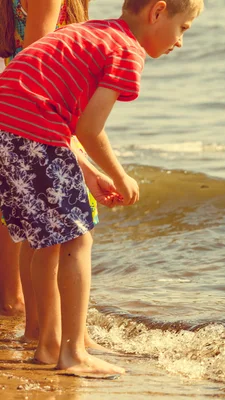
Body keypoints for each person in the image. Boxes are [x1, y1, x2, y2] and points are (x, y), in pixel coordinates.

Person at [0, 0, 204, 376]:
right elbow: (89, 129)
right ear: (157, 12)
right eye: (183, 29)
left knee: (45, 239)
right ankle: (73, 353)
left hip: (8, 127)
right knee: (78, 241)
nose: (180, 43)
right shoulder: (126, 50)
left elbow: (55, 110)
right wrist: (120, 174)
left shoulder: (93, 32)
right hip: (33, 131)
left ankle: (47, 343)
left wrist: (89, 172)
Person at [0, 0, 118, 359]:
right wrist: (77, 149)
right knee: (65, 233)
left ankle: (42, 330)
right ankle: (54, 337)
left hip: (32, 119)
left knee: (38, 232)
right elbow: (41, 70)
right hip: (46, 121)